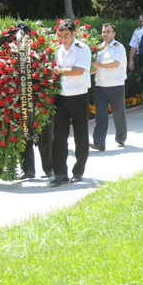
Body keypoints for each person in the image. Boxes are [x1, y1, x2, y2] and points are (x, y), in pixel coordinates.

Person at [49, 19, 92, 187]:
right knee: (58, 136)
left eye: (67, 35)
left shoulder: (82, 49)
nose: (64, 39)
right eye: (61, 36)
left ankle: (78, 170)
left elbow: (79, 70)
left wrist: (60, 71)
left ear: (74, 33)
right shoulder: (58, 50)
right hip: (61, 97)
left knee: (81, 136)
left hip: (78, 95)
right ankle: (60, 173)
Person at [89, 23, 128, 152]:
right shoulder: (98, 48)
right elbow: (95, 68)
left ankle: (120, 138)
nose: (105, 34)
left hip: (115, 85)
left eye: (108, 32)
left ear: (114, 33)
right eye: (104, 32)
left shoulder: (118, 47)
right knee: (100, 115)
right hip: (100, 86)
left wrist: (98, 64)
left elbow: (115, 63)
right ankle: (99, 142)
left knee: (118, 114)